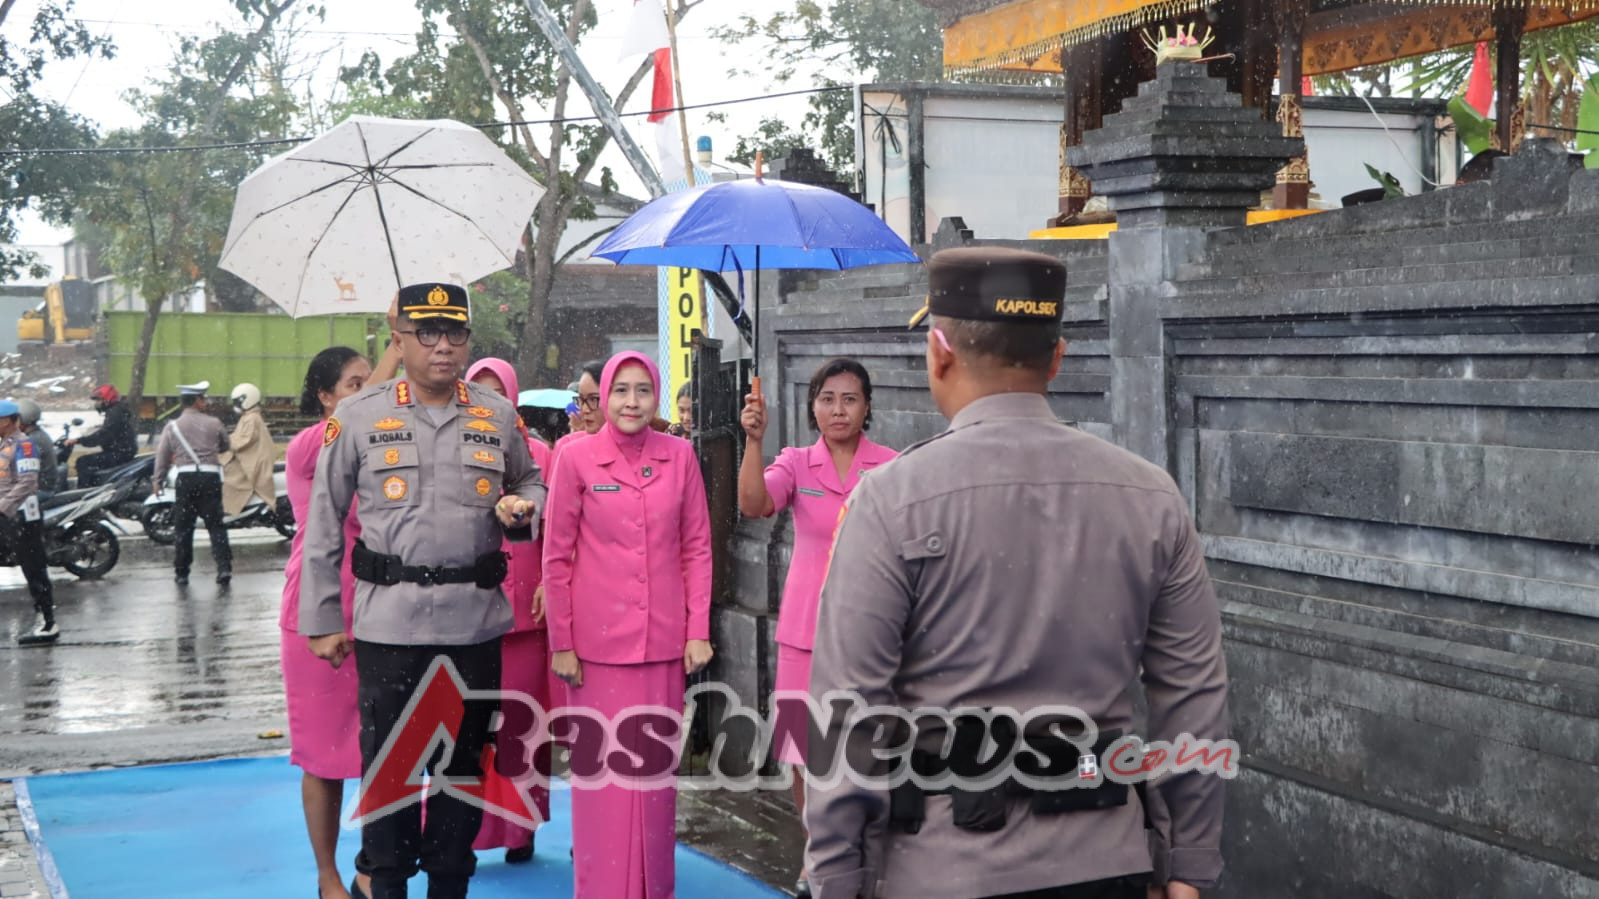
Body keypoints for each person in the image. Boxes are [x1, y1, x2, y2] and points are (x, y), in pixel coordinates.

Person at [803, 247, 1229, 899]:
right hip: (1102, 861)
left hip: (939, 868)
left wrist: (835, 874)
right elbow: (1192, 692)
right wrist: (1188, 865)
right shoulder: (1150, 495)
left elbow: (848, 709)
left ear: (938, 353)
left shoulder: (890, 499)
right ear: (1055, 359)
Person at [301, 281, 546, 899]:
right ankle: (384, 886)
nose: (443, 346)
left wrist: (523, 507)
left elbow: (532, 481)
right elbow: (324, 521)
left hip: (474, 625)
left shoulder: (496, 414)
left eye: (454, 332)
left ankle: (449, 887)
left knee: (462, 774)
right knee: (390, 775)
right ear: (400, 339)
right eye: (427, 333)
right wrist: (323, 619)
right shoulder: (358, 417)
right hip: (391, 627)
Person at [541, 350, 714, 899]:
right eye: (621, 390)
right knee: (604, 781)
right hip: (594, 651)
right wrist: (562, 643)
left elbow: (697, 547)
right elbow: (556, 556)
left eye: (643, 390)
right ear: (605, 396)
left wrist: (697, 630)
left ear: (656, 396)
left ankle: (653, 888)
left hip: (662, 644)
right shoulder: (575, 458)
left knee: (654, 781)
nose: (631, 402)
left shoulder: (679, 455)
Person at [738, 357, 899, 899]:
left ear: (867, 406)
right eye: (827, 399)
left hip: (870, 631)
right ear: (812, 407)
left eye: (850, 399)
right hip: (803, 630)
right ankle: (817, 857)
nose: (838, 410)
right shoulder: (795, 463)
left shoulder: (891, 467)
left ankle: (865, 852)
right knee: (802, 752)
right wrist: (754, 441)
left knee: (863, 748)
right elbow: (753, 503)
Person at [281, 348, 373, 899]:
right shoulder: (310, 445)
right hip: (318, 608)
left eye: (369, 382)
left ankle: (373, 867)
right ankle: (328, 876)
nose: (366, 392)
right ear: (325, 396)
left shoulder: (381, 445)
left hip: (378, 607)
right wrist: (396, 345)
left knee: (384, 748)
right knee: (323, 756)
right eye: (353, 384)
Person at [463, 356, 554, 865]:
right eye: (479, 391)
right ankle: (467, 830)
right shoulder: (453, 454)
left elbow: (560, 528)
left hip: (527, 612)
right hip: (468, 611)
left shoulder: (540, 455)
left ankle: (521, 827)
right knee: (469, 726)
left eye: (497, 392)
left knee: (523, 727)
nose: (488, 402)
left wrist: (550, 584)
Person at [152, 381, 233, 586]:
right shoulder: (214, 423)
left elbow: (162, 456)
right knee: (216, 525)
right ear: (197, 401)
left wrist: (158, 480)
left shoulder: (172, 426)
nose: (205, 401)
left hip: (186, 479)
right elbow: (225, 445)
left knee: (184, 527)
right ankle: (223, 568)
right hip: (210, 477)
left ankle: (182, 572)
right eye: (203, 398)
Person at [1, 399, 58, 646]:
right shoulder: (5, 445)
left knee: (34, 568)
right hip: (9, 515)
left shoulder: (25, 445)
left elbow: (27, 482)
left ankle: (48, 623)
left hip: (23, 516)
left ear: (10, 421)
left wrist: (3, 506)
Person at [221, 382, 277, 518]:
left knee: (231, 479)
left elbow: (244, 440)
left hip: (252, 461)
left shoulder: (251, 418)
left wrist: (225, 443)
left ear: (247, 400)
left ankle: (229, 511)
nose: (235, 406)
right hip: (251, 457)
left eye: (237, 402)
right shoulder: (248, 416)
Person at [67, 384, 138, 488]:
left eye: (98, 400)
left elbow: (103, 436)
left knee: (82, 462)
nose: (97, 403)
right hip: (122, 452)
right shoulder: (116, 411)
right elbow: (105, 434)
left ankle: (84, 491)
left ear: (107, 399)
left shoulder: (115, 413)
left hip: (120, 453)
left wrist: (79, 440)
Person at [16, 400, 59, 501]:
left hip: (39, 491)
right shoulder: (38, 435)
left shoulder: (31, 441)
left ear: (22, 420)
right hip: (41, 488)